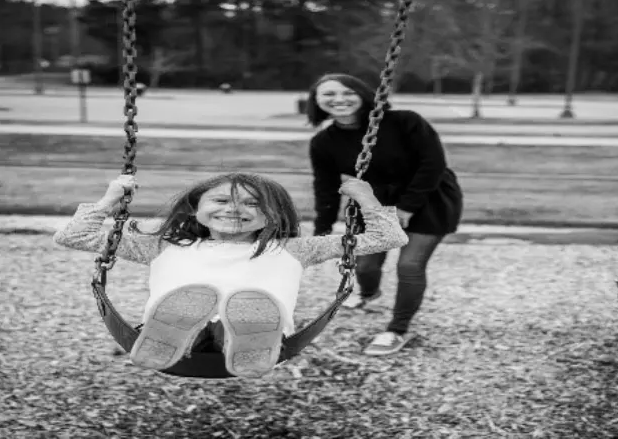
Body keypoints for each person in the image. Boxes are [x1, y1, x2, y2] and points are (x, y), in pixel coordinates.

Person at [52, 172, 408, 378]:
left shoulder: (294, 248)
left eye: (253, 204)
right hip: (173, 333)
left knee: (245, 314)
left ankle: (244, 337)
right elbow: (75, 237)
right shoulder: (162, 244)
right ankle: (174, 335)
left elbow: (387, 238)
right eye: (220, 201)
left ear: (274, 216)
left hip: (265, 337)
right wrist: (109, 199)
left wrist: (367, 199)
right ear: (197, 208)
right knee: (185, 311)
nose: (234, 210)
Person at [307, 73, 463, 357]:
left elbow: (433, 164)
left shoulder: (404, 122)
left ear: (364, 94)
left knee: (410, 266)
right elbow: (326, 187)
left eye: (347, 92)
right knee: (365, 267)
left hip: (429, 196)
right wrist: (322, 228)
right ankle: (369, 295)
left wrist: (407, 208)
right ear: (316, 102)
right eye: (328, 94)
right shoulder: (323, 142)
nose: (339, 99)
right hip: (376, 202)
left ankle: (398, 329)